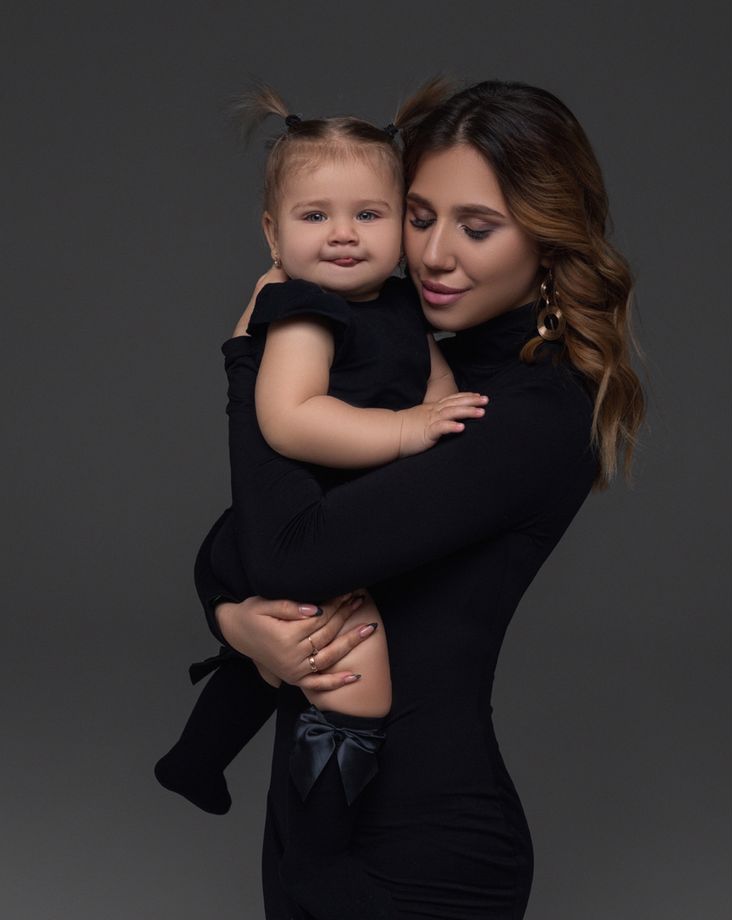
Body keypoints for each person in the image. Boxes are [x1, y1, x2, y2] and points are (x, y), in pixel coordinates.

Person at [184, 80, 645, 919]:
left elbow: (291, 551)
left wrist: (250, 358)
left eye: (477, 227)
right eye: (421, 216)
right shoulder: (420, 374)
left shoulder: (530, 415)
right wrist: (234, 623)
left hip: (428, 857)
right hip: (310, 825)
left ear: (549, 239)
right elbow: (238, 540)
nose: (434, 255)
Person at [155, 83, 488, 920]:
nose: (343, 235)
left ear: (403, 232)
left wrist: (443, 408)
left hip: (332, 520)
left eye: (370, 216)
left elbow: (428, 380)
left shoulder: (402, 305)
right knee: (345, 666)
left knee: (268, 657)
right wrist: (409, 432)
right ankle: (324, 842)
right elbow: (291, 419)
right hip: (286, 517)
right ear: (273, 234)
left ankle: (194, 759)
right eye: (314, 218)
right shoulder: (301, 313)